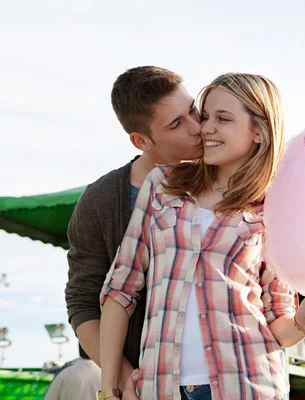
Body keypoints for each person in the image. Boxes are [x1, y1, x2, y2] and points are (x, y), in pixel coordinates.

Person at [99, 73, 305, 400]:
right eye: (206, 115)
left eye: (223, 119)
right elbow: (120, 289)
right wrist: (108, 389)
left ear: (259, 132)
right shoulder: (162, 185)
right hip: (161, 389)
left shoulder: (276, 207)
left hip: (249, 386)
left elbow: (278, 321)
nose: (205, 127)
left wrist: (304, 322)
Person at [65, 66, 203, 396]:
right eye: (176, 124)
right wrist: (121, 375)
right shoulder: (100, 200)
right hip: (147, 385)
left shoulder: (228, 180)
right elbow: (83, 301)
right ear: (141, 140)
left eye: (193, 109)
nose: (197, 127)